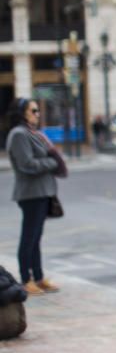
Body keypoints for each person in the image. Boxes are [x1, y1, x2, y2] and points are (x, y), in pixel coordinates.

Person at [5, 98, 65, 297]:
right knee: (29, 237)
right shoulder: (19, 135)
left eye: (38, 110)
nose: (38, 114)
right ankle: (25, 280)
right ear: (22, 112)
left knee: (36, 237)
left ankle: (38, 278)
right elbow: (27, 164)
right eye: (34, 110)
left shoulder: (32, 133)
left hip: (42, 191)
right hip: (31, 193)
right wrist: (51, 162)